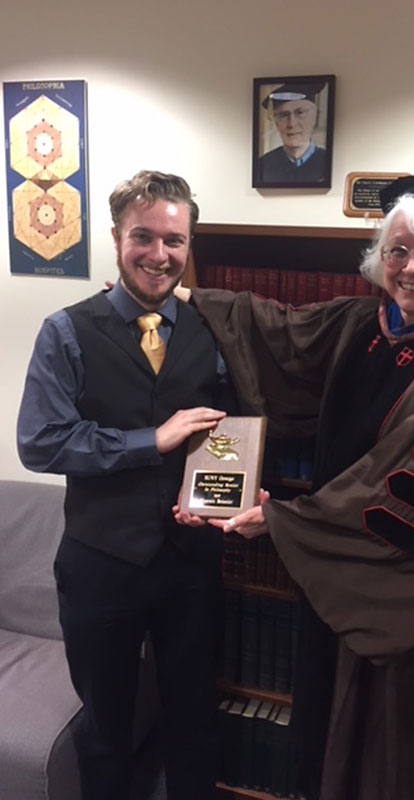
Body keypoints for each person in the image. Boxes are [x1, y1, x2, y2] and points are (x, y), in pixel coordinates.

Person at [174, 171, 414, 800]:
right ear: (379, 260)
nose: (411, 268)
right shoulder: (367, 323)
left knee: (392, 745)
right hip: (341, 564)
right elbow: (280, 331)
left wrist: (283, 522)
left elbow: (409, 487)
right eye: (397, 251)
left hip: (413, 585)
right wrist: (186, 300)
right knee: (329, 724)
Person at [17, 170, 235, 800]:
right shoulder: (65, 331)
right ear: (116, 237)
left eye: (175, 240)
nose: (160, 255)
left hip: (191, 561)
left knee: (194, 720)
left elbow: (231, 424)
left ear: (189, 243)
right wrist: (152, 440)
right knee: (106, 729)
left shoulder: (213, 330)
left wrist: (230, 493)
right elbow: (40, 441)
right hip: (99, 565)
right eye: (144, 237)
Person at [258, 82, 329, 184]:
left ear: (314, 117)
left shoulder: (326, 162)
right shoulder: (263, 165)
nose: (291, 124)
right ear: (276, 123)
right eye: (283, 115)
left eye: (300, 113)